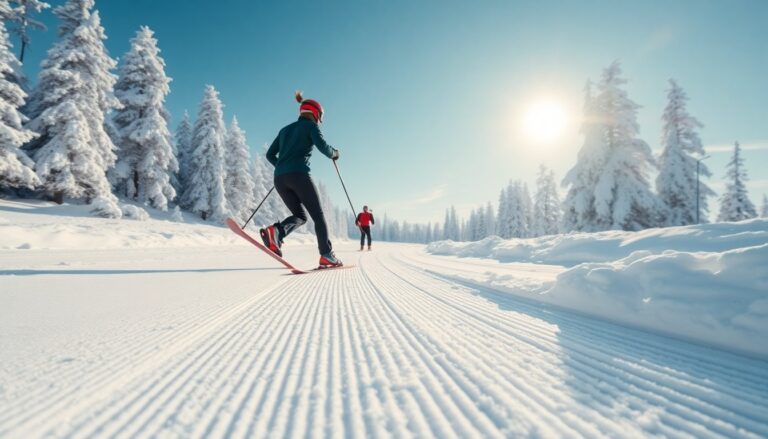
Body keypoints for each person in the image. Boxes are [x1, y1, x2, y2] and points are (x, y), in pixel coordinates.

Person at [260, 91, 343, 267]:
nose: (319, 120)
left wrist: (282, 166)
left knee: (300, 216)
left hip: (280, 179)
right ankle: (326, 255)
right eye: (320, 116)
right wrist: (335, 153)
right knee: (318, 217)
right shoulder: (311, 127)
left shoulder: (284, 130)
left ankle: (277, 231)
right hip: (299, 176)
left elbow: (269, 155)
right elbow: (324, 148)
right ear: (315, 113)